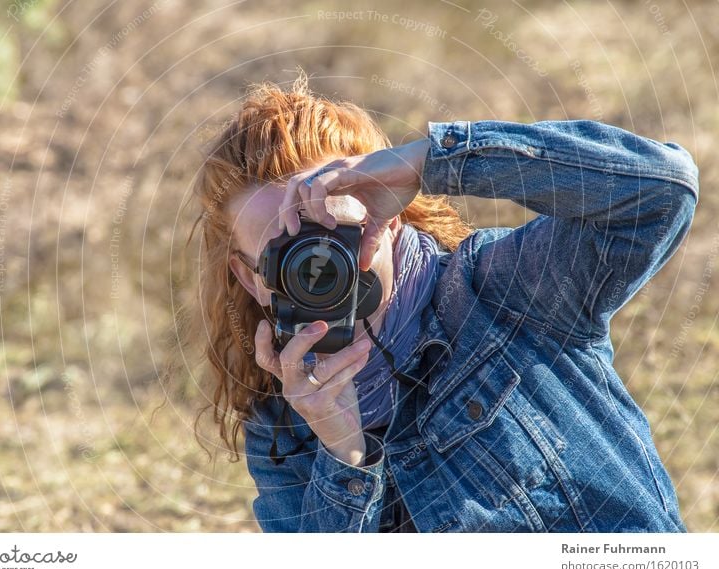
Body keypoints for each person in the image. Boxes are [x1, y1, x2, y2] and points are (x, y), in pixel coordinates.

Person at [179, 73, 698, 532]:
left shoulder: (506, 292)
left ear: (389, 215)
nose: (317, 261)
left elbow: (663, 192)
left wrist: (433, 160)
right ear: (249, 279)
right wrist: (343, 452)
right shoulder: (283, 427)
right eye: (283, 251)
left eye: (332, 230)